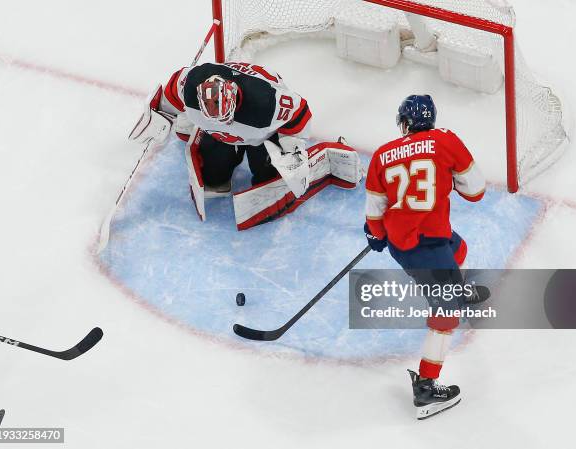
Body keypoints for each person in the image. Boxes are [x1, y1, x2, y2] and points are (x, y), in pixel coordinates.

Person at [364, 94, 486, 419]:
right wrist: (451, 182)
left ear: (404, 124)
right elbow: (476, 191)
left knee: (459, 249)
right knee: (446, 316)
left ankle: (456, 288)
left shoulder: (382, 154)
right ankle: (427, 390)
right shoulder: (445, 140)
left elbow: (374, 214)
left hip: (409, 240)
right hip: (425, 248)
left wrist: (375, 235)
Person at [129, 61, 362, 225]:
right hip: (215, 129)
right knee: (212, 181)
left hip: (264, 134)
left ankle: (318, 155)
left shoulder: (267, 103)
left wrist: (292, 149)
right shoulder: (190, 84)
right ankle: (218, 141)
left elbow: (299, 113)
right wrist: (160, 116)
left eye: (226, 119)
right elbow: (170, 94)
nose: (226, 123)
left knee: (269, 181)